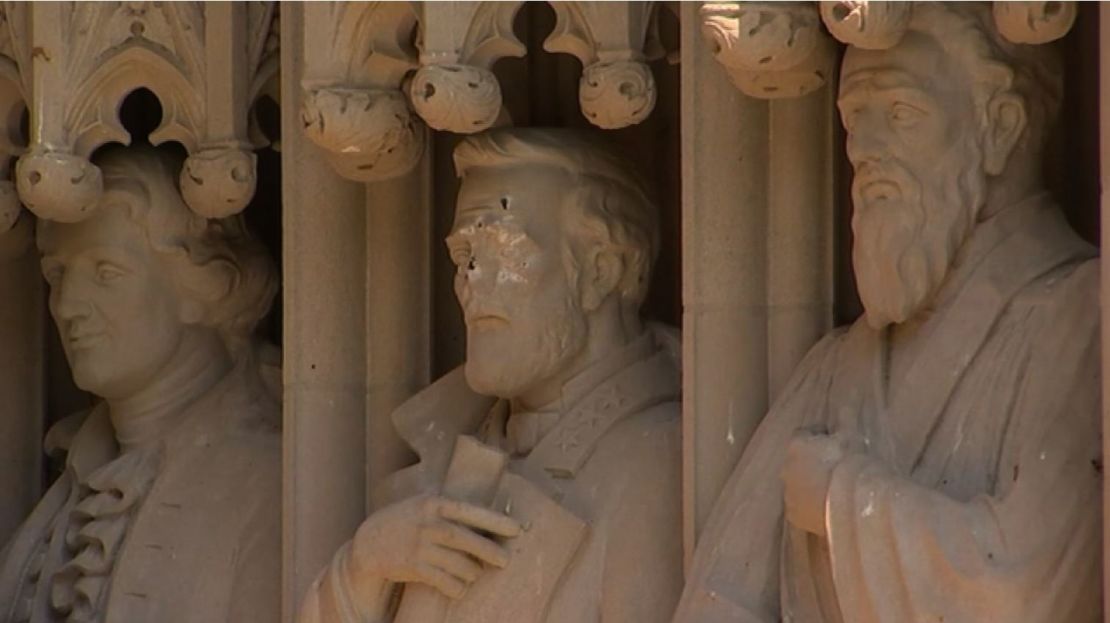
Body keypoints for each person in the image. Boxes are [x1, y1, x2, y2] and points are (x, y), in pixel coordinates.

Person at [674, 3, 1102, 622]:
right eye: (854, 121)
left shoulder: (1079, 318)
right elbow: (720, 597)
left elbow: (1026, 590)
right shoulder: (837, 369)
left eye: (901, 113)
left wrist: (838, 498)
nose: (865, 151)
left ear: (1001, 126)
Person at [300, 128, 683, 623]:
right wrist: (362, 570)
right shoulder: (441, 457)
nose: (471, 280)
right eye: (465, 256)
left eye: (505, 251)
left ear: (600, 272)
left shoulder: (657, 463)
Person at [0, 145, 281, 623]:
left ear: (201, 288)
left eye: (106, 272)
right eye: (56, 275)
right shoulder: (68, 484)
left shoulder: (264, 482)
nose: (67, 305)